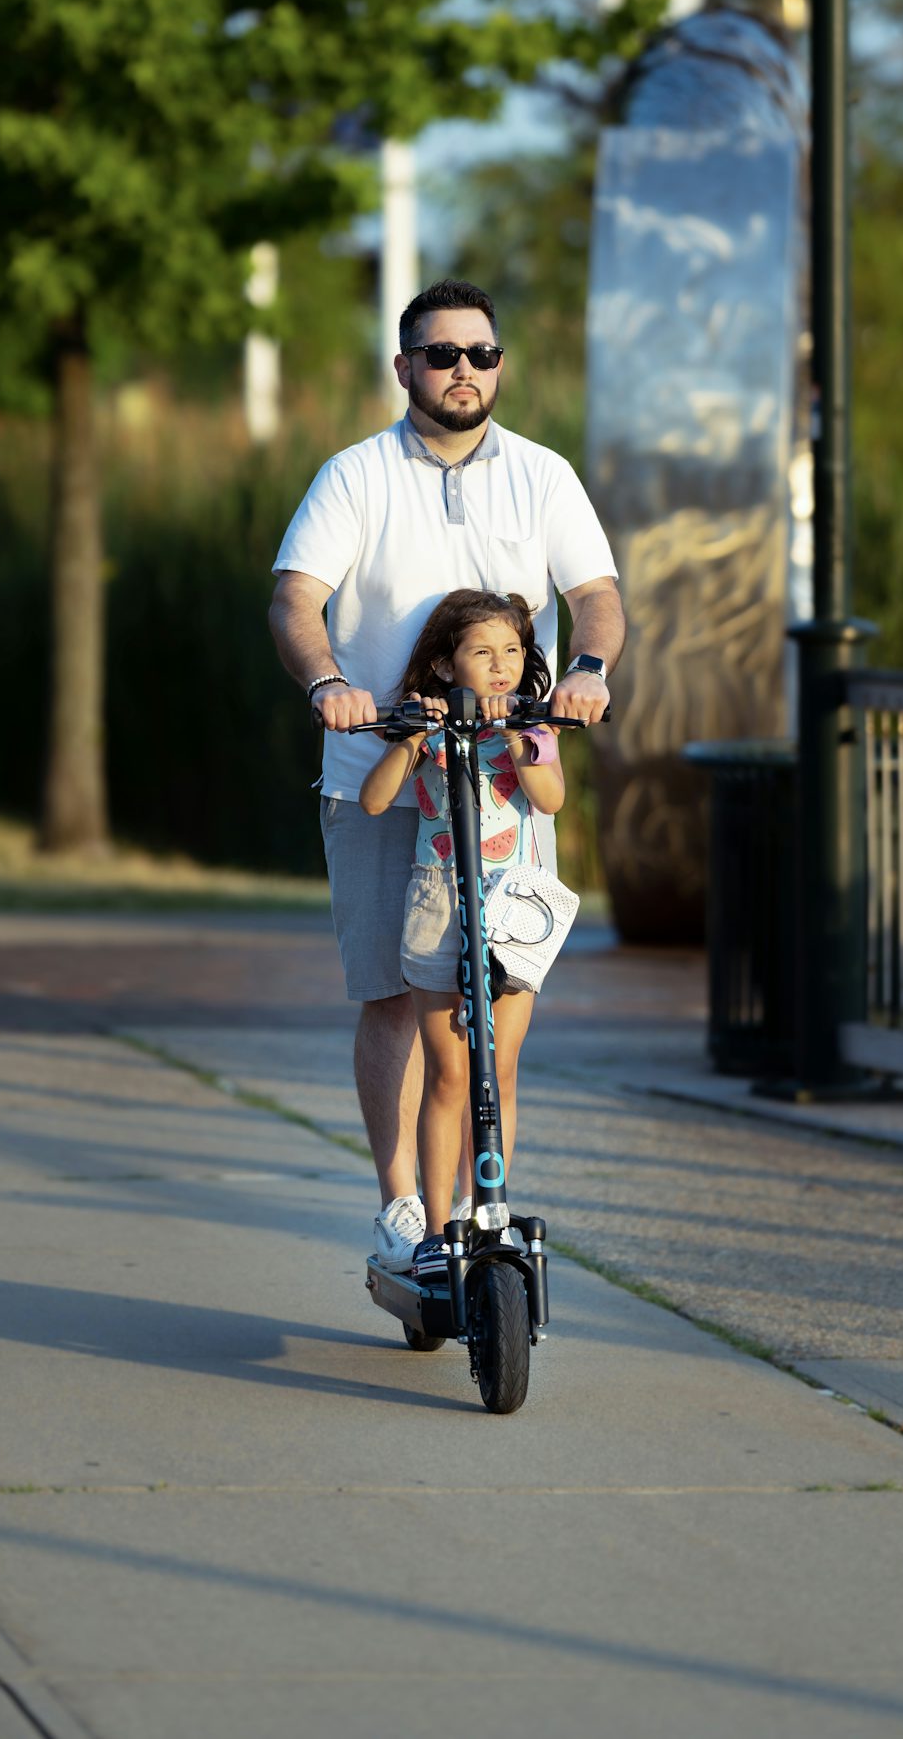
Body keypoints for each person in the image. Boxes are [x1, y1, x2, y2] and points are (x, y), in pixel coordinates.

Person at [268, 277, 623, 1268]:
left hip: (504, 788)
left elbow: (594, 596)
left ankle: (473, 1208)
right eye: (440, 354)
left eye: (480, 353)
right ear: (404, 367)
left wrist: (587, 670)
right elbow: (297, 599)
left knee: (497, 1018)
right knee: (391, 996)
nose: (461, 370)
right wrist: (330, 680)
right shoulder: (355, 475)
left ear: (498, 364)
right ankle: (401, 1211)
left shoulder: (542, 475)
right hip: (383, 776)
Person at [359, 589, 565, 1277]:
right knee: (448, 1074)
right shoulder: (428, 727)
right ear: (447, 666)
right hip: (440, 907)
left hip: (513, 912)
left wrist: (516, 733)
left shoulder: (533, 729)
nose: (502, 665)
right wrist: (416, 737)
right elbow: (376, 798)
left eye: (513, 652)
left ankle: (490, 1212)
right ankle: (441, 1229)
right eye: (483, 653)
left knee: (499, 1068)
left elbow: (550, 797)